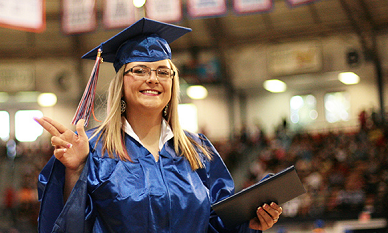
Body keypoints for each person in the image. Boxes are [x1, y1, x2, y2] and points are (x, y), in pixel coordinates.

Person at [35, 18, 282, 233]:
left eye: (163, 72)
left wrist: (251, 222)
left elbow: (220, 224)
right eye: (140, 70)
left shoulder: (198, 151)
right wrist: (75, 171)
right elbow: (65, 225)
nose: (153, 79)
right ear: (121, 82)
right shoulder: (92, 149)